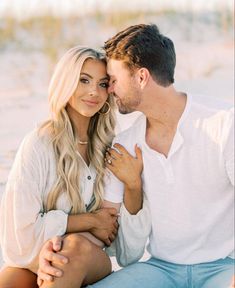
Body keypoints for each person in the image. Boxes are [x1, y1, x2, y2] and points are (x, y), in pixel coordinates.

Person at [37, 24, 234, 288]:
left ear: (141, 78)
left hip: (223, 268)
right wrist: (61, 249)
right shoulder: (125, 144)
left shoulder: (223, 123)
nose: (109, 90)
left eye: (113, 81)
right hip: (160, 270)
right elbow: (107, 224)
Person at [0, 46, 134, 288]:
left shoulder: (111, 147)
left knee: (71, 252)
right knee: (10, 280)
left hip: (88, 256)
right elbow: (18, 239)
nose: (93, 91)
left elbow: (112, 231)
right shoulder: (38, 144)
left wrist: (86, 231)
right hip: (36, 256)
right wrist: (89, 221)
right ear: (66, 82)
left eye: (103, 84)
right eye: (84, 80)